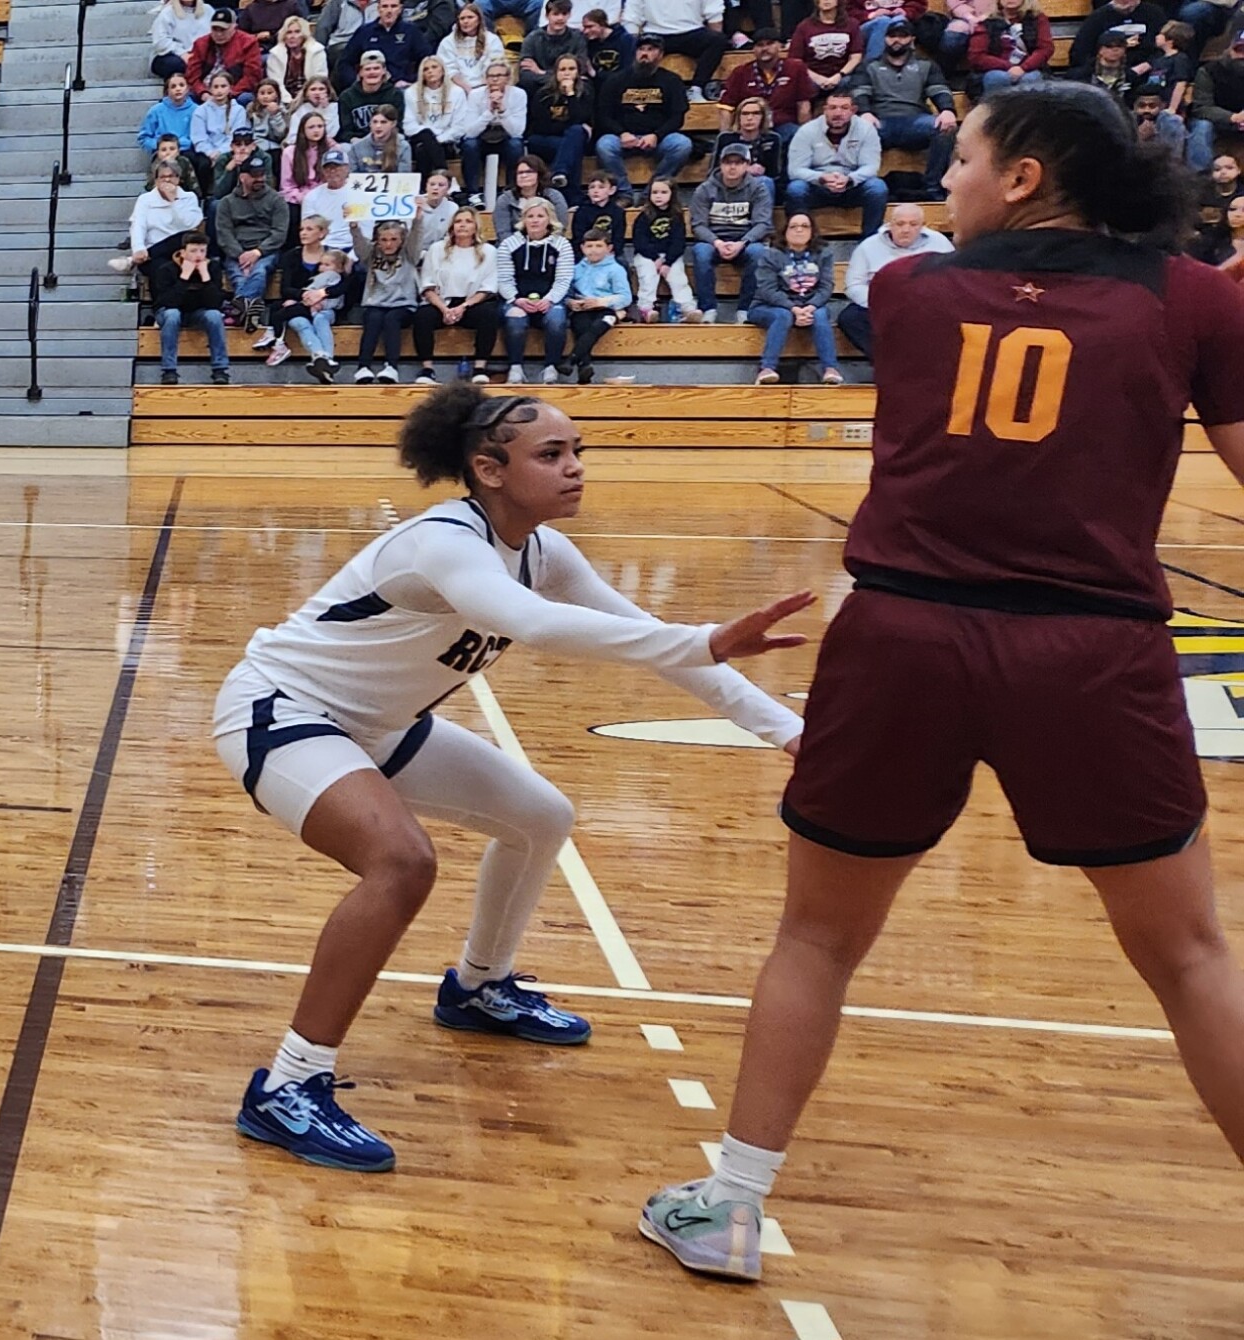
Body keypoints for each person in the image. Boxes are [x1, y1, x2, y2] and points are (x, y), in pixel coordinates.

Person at [640, 82, 1244, 1284]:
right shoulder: (1191, 299)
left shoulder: (906, 289)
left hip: (904, 637)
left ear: (1023, 177)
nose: (944, 182)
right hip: (1091, 650)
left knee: (817, 935)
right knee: (1190, 956)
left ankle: (732, 1205)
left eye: (962, 159)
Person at [218, 381, 811, 1174]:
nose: (575, 468)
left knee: (541, 817)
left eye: (577, 452)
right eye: (551, 454)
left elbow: (650, 642)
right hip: (282, 712)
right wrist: (700, 637)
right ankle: (289, 1085)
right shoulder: (443, 542)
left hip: (380, 726)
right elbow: (532, 624)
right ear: (489, 470)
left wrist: (787, 731)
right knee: (402, 863)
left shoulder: (544, 552)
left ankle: (478, 986)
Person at [852, 19, 957, 201]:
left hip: (916, 120)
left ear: (912, 39)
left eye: (903, 36)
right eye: (892, 36)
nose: (897, 40)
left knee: (945, 129)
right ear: (885, 39)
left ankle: (932, 188)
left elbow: (940, 90)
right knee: (854, 129)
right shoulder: (869, 65)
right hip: (880, 122)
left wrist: (947, 110)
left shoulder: (926, 65)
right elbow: (859, 92)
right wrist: (865, 112)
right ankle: (861, 189)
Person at [835, 198, 950, 358]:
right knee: (850, 318)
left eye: (913, 224)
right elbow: (854, 285)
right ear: (890, 224)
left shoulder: (940, 243)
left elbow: (952, 280)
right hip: (882, 305)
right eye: (900, 224)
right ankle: (888, 360)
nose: (906, 229)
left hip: (925, 305)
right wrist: (882, 302)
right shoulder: (868, 246)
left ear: (922, 225)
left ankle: (925, 362)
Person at [594, 33, 691, 209]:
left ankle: (650, 193)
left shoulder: (672, 81)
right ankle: (624, 193)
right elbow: (603, 115)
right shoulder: (616, 79)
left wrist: (656, 135)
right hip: (623, 138)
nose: (644, 54)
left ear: (660, 55)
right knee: (604, 145)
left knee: (682, 145)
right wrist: (621, 133)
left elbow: (678, 117)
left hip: (658, 139)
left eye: (651, 49)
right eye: (641, 49)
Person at [747, 210, 840, 384]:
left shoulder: (823, 254)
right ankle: (767, 368)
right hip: (768, 306)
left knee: (820, 315)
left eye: (805, 226)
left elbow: (826, 286)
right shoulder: (770, 255)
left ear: (812, 232)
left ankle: (830, 369)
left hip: (809, 305)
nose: (799, 230)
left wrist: (811, 306)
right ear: (785, 231)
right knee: (783, 315)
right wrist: (794, 309)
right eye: (793, 226)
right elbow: (767, 290)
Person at [412, 203, 499, 383]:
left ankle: (480, 368)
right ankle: (427, 370)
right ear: (452, 226)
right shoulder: (437, 249)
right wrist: (444, 309)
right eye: (458, 221)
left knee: (489, 314)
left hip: (472, 303)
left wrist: (463, 307)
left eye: (468, 221)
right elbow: (427, 284)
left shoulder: (489, 251)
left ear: (476, 226)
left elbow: (487, 287)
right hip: (442, 302)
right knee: (422, 316)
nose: (462, 225)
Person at [786, 88, 886, 239]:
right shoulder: (807, 131)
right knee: (796, 189)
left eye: (844, 108)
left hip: (852, 186)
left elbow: (871, 166)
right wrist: (821, 178)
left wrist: (850, 179)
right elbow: (795, 170)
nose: (838, 113)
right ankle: (802, 241)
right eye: (833, 108)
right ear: (825, 110)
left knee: (877, 188)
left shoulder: (866, 130)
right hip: (818, 186)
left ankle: (869, 242)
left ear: (853, 110)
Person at [255, 214, 348, 373]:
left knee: (320, 318)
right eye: (301, 229)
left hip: (325, 306)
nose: (303, 233)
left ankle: (327, 359)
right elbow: (286, 289)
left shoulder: (332, 256)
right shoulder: (291, 256)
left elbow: (345, 284)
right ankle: (319, 358)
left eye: (309, 229)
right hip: (299, 304)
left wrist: (322, 293)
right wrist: (305, 296)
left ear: (322, 233)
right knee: (299, 322)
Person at [689, 141, 771, 320]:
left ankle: (745, 310)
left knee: (759, 252)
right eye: (728, 162)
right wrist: (717, 242)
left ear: (747, 165)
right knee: (700, 252)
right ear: (720, 164)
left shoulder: (758, 189)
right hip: (714, 242)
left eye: (738, 162)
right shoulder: (704, 189)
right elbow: (698, 225)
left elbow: (763, 224)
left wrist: (742, 243)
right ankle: (708, 309)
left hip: (745, 242)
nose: (732, 167)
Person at [496, 199, 574, 382]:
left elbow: (563, 279)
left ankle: (551, 368)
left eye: (540, 216)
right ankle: (515, 368)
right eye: (530, 216)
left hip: (550, 300)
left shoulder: (562, 244)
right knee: (515, 318)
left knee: (556, 319)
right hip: (517, 300)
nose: (535, 220)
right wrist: (516, 299)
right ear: (523, 220)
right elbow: (504, 279)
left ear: (549, 219)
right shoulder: (509, 244)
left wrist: (550, 299)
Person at [216, 149, 288, 328]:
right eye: (254, 175)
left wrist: (258, 252)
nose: (260, 179)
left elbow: (279, 233)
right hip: (237, 252)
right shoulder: (227, 202)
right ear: (242, 177)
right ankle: (250, 314)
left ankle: (237, 310)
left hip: (265, 251)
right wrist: (241, 255)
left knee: (259, 271)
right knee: (239, 277)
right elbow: (224, 234)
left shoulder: (277, 200)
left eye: (262, 174)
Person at [109, 159, 204, 288]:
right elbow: (138, 226)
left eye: (171, 176)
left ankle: (132, 261)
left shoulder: (189, 197)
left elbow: (189, 224)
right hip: (152, 252)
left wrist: (173, 202)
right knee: (161, 269)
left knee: (184, 236)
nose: (167, 180)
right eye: (162, 177)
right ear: (156, 180)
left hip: (182, 250)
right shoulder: (145, 200)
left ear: (178, 179)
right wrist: (138, 249)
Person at [154, 231, 232, 385]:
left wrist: (205, 277)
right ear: (183, 252)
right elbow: (167, 302)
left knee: (214, 315)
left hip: (198, 312)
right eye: (193, 251)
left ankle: (220, 369)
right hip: (169, 312)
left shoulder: (212, 267)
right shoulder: (167, 269)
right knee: (172, 315)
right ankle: (169, 370)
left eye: (202, 251)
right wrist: (184, 277)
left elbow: (215, 303)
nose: (198, 255)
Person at [351, 216, 422, 381]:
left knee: (391, 319)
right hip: (375, 303)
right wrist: (354, 227)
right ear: (377, 241)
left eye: (393, 239)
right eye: (384, 240)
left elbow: (416, 236)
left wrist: (418, 220)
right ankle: (363, 367)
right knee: (374, 318)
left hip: (403, 305)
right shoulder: (371, 254)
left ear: (402, 240)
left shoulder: (409, 254)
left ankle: (391, 366)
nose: (388, 244)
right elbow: (359, 245)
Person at [719, 28, 816, 144]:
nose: (764, 49)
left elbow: (803, 105)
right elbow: (726, 107)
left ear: (780, 46)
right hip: (751, 127)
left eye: (770, 44)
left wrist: (806, 136)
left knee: (796, 135)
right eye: (760, 45)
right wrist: (725, 139)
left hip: (783, 125)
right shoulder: (741, 72)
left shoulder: (795, 68)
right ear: (753, 49)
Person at [625, 0, 728, 104]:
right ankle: (639, 91)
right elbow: (632, 16)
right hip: (655, 34)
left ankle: (696, 89)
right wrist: (633, 44)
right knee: (633, 46)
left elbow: (714, 13)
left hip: (692, 32)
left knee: (718, 41)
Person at [632, 175, 701, 323]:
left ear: (672, 194)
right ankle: (646, 308)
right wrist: (655, 258)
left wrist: (668, 262)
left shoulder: (676, 216)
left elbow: (678, 242)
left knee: (678, 278)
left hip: (670, 256)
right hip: (647, 255)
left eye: (663, 192)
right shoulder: (643, 216)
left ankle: (687, 308)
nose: (658, 196)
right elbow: (640, 241)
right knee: (648, 277)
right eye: (655, 192)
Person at [564, 226, 629, 382]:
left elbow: (625, 297)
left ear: (609, 248)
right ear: (582, 248)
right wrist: (570, 302)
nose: (594, 250)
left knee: (598, 326)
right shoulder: (575, 269)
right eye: (589, 246)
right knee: (580, 325)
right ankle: (584, 367)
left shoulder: (616, 269)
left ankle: (572, 360)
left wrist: (601, 301)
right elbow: (566, 293)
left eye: (599, 246)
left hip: (606, 309)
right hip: (583, 309)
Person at [459, 59, 527, 202]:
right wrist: (489, 112)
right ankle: (473, 193)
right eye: (491, 76)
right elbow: (470, 132)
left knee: (516, 145)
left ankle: (511, 190)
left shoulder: (518, 94)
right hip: (482, 135)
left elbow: (517, 132)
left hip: (506, 135)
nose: (495, 79)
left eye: (499, 75)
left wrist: (502, 111)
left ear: (508, 78)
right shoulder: (475, 95)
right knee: (469, 145)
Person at [526, 53, 595, 193]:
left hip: (573, 139)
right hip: (544, 140)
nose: (567, 73)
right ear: (555, 73)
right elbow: (541, 126)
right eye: (562, 69)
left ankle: (559, 174)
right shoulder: (543, 94)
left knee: (575, 135)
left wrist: (570, 95)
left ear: (578, 72)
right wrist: (568, 128)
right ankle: (572, 194)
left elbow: (583, 117)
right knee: (574, 140)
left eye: (571, 69)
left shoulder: (586, 92)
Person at [340, 0, 431, 87]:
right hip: (371, 87)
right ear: (378, 8)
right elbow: (345, 62)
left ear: (400, 9)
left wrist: (412, 81)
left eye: (393, 6)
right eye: (385, 6)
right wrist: (357, 83)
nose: (389, 11)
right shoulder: (364, 32)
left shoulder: (411, 31)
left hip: (401, 86)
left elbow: (427, 60)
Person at [1189, 32, 1244, 172]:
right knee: (1202, 127)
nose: (1242, 55)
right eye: (1239, 50)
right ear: (1230, 49)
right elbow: (1201, 107)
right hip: (1219, 122)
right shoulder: (1209, 71)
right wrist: (1233, 117)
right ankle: (1199, 177)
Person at [967, 0, 1052, 91]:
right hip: (995, 70)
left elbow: (1045, 49)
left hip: (1029, 68)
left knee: (1031, 78)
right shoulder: (986, 22)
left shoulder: (1037, 18)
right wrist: (1008, 67)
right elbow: (977, 56)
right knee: (997, 78)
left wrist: (1023, 68)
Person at [1066, 0, 1165, 78]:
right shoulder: (1098, 17)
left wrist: (1146, 66)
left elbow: (1165, 48)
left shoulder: (1154, 14)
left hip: (1145, 70)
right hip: (1107, 70)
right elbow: (1080, 53)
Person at [404, 54, 467, 176]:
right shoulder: (411, 92)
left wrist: (436, 140)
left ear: (442, 70)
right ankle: (444, 176)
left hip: (447, 142)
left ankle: (423, 185)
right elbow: (409, 126)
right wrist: (430, 136)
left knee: (423, 150)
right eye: (425, 69)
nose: (430, 71)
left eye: (434, 67)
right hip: (420, 138)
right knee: (425, 135)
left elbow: (460, 127)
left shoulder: (457, 92)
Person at [711, 96, 782, 202]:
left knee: (765, 182)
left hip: (759, 184)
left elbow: (776, 174)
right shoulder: (725, 138)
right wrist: (744, 170)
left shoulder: (773, 139)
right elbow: (714, 171)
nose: (749, 118)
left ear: (763, 117)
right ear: (738, 117)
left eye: (755, 113)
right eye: (745, 114)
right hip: (729, 183)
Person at [188, 7, 264, 101]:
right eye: (215, 29)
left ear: (234, 27)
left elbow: (252, 76)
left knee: (245, 98)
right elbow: (192, 76)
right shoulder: (200, 44)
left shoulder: (248, 43)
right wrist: (202, 93)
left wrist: (231, 93)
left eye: (223, 29)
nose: (219, 34)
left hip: (235, 91)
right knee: (185, 97)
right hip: (205, 91)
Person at [788, 0, 862, 94]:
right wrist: (818, 78)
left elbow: (856, 56)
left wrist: (839, 75)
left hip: (842, 76)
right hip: (812, 77)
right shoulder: (804, 27)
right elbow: (796, 60)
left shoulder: (852, 24)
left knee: (856, 83)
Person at [519, 0, 590, 94]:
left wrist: (542, 72)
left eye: (564, 14)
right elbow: (525, 70)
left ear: (569, 15)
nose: (560, 18)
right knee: (526, 81)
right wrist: (555, 78)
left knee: (585, 84)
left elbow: (581, 67)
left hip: (570, 80)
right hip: (540, 84)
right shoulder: (532, 38)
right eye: (556, 14)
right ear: (547, 15)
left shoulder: (578, 37)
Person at [493, 154, 571, 239]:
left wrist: (543, 245)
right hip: (512, 245)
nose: (523, 176)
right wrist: (521, 246)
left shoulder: (555, 197)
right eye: (520, 173)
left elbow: (560, 228)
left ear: (539, 174)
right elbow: (503, 233)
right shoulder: (505, 199)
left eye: (529, 172)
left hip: (549, 244)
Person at [299, 146, 361, 250]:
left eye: (337, 167)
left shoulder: (360, 192)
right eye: (328, 168)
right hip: (323, 247)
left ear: (347, 168)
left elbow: (367, 229)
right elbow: (308, 229)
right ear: (322, 171)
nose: (332, 171)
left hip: (354, 246)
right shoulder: (311, 197)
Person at [339, 48, 408, 141]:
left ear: (384, 71)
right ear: (360, 72)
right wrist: (357, 141)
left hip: (388, 140)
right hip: (358, 142)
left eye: (376, 68)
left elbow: (398, 126)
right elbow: (346, 131)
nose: (372, 72)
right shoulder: (347, 96)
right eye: (367, 69)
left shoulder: (395, 95)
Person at [436, 2, 496, 93]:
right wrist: (466, 89)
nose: (465, 21)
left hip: (486, 87)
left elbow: (495, 65)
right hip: (457, 89)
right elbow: (448, 69)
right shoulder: (447, 42)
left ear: (479, 20)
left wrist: (481, 90)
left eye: (470, 17)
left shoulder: (492, 39)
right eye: (462, 18)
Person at [314, 0, 373, 90]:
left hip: (371, 42)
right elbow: (323, 27)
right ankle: (347, 90)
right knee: (343, 55)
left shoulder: (381, 3)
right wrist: (319, 50)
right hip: (342, 43)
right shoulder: (337, 3)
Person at [137, 73, 199, 158]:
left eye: (181, 85)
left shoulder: (196, 110)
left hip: (186, 152)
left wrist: (181, 145)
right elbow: (144, 138)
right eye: (173, 86)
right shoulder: (156, 111)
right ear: (167, 91)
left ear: (188, 88)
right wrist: (161, 146)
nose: (178, 89)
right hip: (162, 153)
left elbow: (199, 136)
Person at [267, 16, 329, 97]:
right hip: (283, 98)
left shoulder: (317, 51)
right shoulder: (276, 54)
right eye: (289, 32)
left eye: (297, 32)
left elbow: (319, 81)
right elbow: (276, 84)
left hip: (311, 96)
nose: (292, 36)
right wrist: (288, 100)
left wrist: (302, 99)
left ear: (304, 34)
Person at [152, 0, 212, 79]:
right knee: (174, 64)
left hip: (201, 55)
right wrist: (182, 54)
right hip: (174, 55)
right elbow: (160, 41)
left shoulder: (208, 10)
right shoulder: (167, 13)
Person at [847, 0, 922, 60]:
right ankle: (873, 65)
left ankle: (901, 68)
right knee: (883, 21)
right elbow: (847, 10)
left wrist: (905, 11)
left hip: (898, 20)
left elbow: (919, 5)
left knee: (899, 22)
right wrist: (871, 15)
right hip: (866, 25)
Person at [349, 100, 414, 169]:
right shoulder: (357, 147)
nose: (378, 126)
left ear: (393, 124)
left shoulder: (403, 147)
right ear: (370, 124)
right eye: (375, 122)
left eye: (383, 122)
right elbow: (353, 173)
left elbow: (404, 174)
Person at [582, 8, 635, 80]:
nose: (586, 31)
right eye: (584, 27)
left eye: (590, 26)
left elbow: (628, 68)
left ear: (602, 24)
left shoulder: (625, 40)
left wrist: (596, 74)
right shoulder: (589, 43)